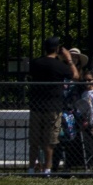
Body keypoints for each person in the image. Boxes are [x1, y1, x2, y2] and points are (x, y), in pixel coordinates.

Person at [27, 37, 72, 176]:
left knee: (34, 140)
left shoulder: (36, 63)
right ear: (57, 49)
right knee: (50, 140)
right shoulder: (59, 66)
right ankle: (47, 169)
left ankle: (31, 169)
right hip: (53, 106)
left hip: (36, 106)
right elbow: (75, 75)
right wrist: (68, 59)